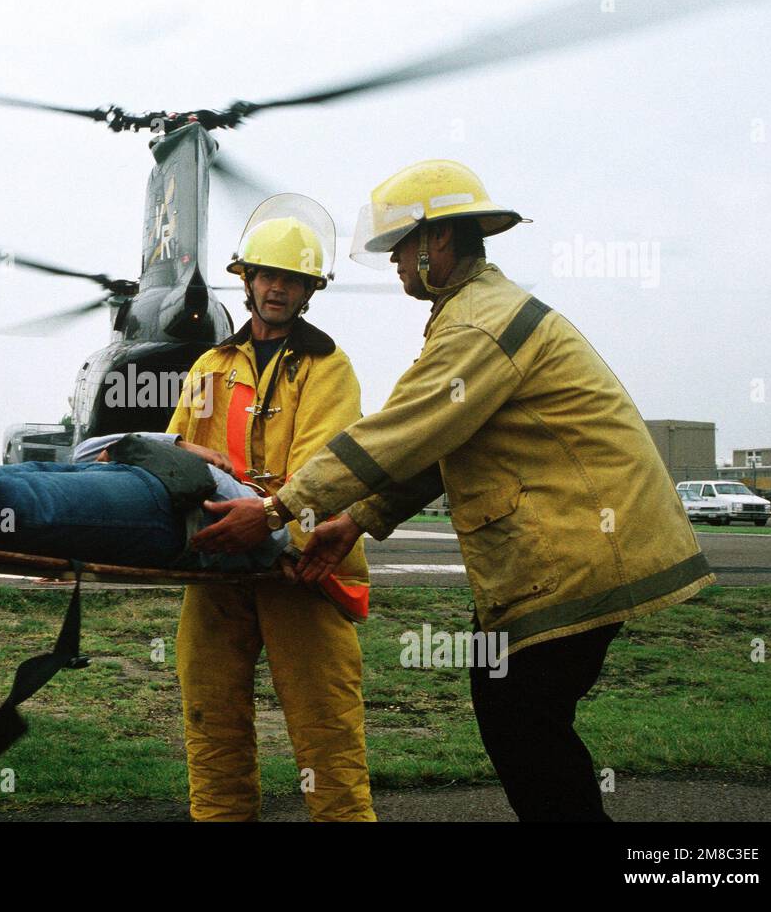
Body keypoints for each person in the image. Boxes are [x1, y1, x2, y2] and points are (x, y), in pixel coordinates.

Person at [192, 160, 716, 821]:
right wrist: (355, 522)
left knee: (520, 715)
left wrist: (275, 508)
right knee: (516, 710)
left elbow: (398, 434)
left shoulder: (474, 326)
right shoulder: (470, 313)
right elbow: (439, 448)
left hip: (579, 550)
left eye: (402, 249)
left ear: (438, 242)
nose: (396, 264)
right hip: (566, 553)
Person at [165, 194, 377, 821]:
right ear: (248, 280)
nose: (277, 289)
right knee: (211, 725)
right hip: (218, 570)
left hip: (302, 573)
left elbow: (325, 472)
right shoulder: (211, 364)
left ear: (309, 289)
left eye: (292, 279)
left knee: (326, 735)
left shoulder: (328, 367)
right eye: (268, 276)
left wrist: (270, 516)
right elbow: (180, 451)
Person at [0, 432, 290, 571]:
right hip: (130, 470)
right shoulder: (210, 463)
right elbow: (87, 449)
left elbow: (279, 540)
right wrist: (178, 444)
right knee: (0, 478)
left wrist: (270, 515)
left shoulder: (267, 512)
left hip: (175, 511)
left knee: (20, 503)